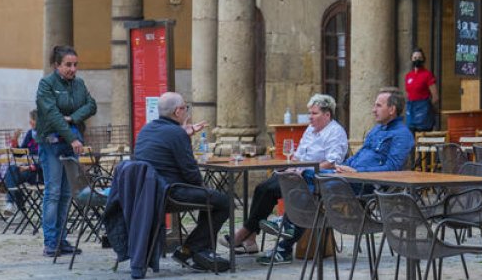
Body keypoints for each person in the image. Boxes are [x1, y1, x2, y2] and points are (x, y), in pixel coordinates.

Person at [258, 88, 413, 265]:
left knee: (315, 185)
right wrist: (345, 166)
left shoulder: (402, 135)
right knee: (304, 175)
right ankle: (287, 231)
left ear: (392, 109)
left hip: (366, 184)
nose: (373, 109)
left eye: (378, 105)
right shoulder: (377, 130)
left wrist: (358, 172)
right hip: (347, 176)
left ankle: (286, 230)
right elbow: (360, 154)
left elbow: (393, 168)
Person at [222, 94, 347, 261]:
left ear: (327, 115)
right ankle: (250, 237)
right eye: (309, 113)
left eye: (314, 113)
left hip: (315, 179)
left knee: (269, 189)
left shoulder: (335, 132)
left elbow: (332, 162)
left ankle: (246, 235)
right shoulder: (310, 130)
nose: (310, 117)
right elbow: (298, 154)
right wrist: (291, 165)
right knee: (262, 188)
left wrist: (304, 168)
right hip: (297, 173)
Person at [133, 92, 230, 273]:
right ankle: (190, 249)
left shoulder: (147, 129)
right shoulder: (176, 133)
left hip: (147, 194)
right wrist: (204, 187)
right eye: (186, 108)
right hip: (170, 193)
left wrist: (183, 134)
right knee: (222, 202)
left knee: (210, 199)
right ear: (178, 111)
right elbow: (190, 172)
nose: (186, 112)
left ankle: (198, 251)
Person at [35, 45, 97, 257]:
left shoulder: (79, 84)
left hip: (71, 142)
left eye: (75, 64)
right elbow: (52, 114)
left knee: (65, 194)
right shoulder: (46, 84)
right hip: (51, 142)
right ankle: (50, 242)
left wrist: (73, 118)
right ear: (56, 65)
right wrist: (71, 137)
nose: (73, 69)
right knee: (53, 192)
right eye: (68, 65)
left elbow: (91, 105)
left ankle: (61, 239)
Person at [2, 109, 42, 215]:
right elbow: (19, 153)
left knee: (14, 176)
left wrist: (29, 167)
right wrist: (15, 140)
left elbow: (47, 160)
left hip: (40, 173)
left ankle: (18, 209)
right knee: (11, 170)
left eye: (32, 120)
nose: (30, 122)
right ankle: (12, 205)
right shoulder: (30, 134)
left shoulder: (46, 136)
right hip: (29, 170)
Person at [404, 48, 439, 132]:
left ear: (423, 59)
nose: (417, 60)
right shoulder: (408, 76)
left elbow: (435, 96)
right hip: (411, 109)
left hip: (423, 109)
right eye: (415, 58)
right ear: (411, 59)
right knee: (410, 135)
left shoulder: (427, 75)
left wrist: (428, 108)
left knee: (423, 135)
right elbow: (408, 93)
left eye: (419, 58)